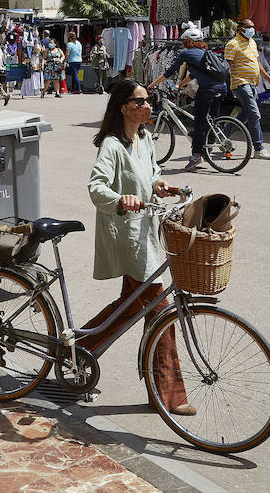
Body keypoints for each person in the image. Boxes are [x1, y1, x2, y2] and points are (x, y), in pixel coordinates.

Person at [79, 79, 192, 416]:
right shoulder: (112, 146)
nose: (148, 107)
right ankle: (168, 395)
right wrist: (121, 199)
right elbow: (96, 187)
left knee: (129, 307)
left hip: (146, 233)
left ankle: (77, 348)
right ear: (123, 107)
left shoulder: (144, 139)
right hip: (128, 237)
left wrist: (161, 185)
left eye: (148, 100)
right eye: (141, 102)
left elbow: (151, 174)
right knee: (160, 310)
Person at [149, 26, 225, 173]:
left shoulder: (186, 53)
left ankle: (197, 155)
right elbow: (193, 75)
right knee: (211, 120)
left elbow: (169, 72)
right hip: (222, 88)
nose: (183, 43)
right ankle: (209, 148)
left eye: (184, 40)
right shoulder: (205, 53)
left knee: (199, 122)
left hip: (207, 90)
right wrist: (179, 85)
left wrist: (153, 84)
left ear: (189, 41)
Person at [225, 18, 270, 160]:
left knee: (245, 114)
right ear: (240, 29)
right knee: (254, 115)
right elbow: (228, 66)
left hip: (253, 84)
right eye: (249, 27)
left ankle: (221, 137)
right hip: (240, 84)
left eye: (253, 27)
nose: (252, 30)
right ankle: (259, 148)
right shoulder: (232, 44)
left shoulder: (252, 43)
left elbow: (258, 65)